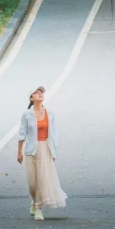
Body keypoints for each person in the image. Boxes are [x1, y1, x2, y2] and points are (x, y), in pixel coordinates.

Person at [17, 84, 67, 220]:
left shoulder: (50, 114)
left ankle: (38, 208)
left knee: (42, 180)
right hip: (31, 151)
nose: (40, 94)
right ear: (31, 97)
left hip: (45, 149)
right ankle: (34, 201)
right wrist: (19, 152)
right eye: (36, 92)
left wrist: (54, 152)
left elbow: (54, 135)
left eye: (41, 92)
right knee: (32, 183)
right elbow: (22, 133)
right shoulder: (27, 114)